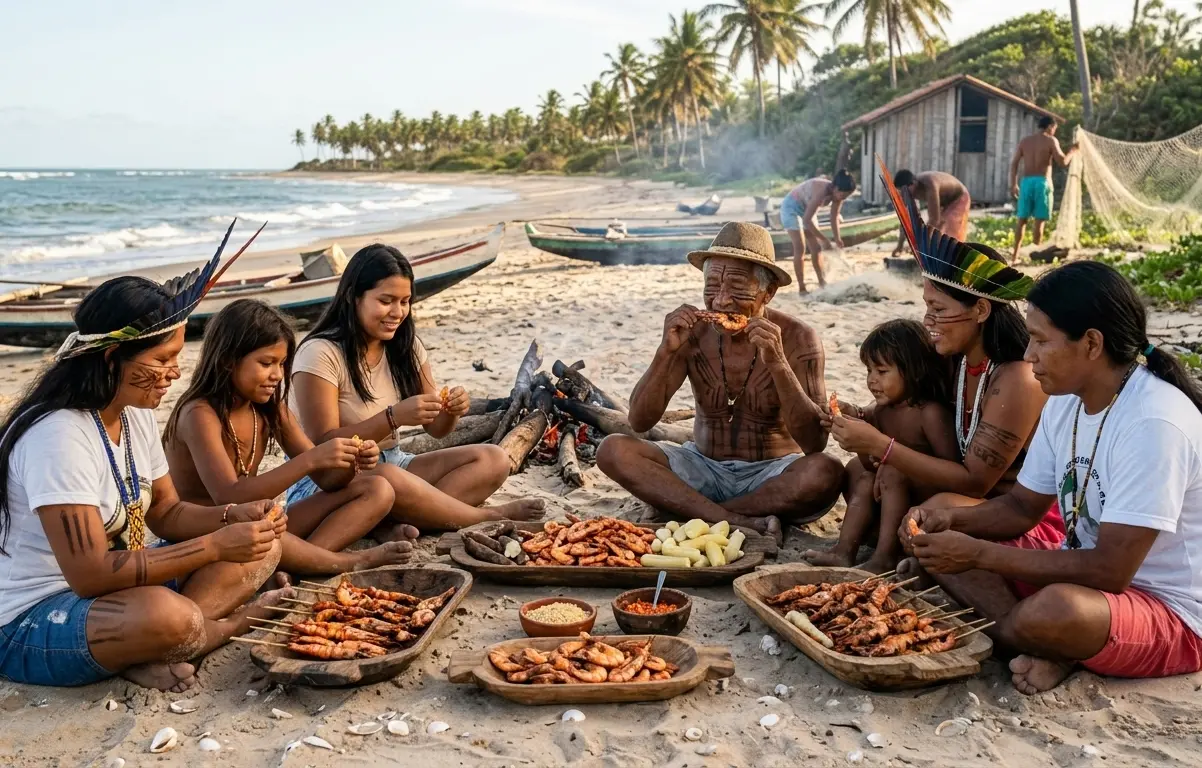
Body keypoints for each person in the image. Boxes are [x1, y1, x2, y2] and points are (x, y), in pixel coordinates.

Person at [0, 229, 292, 692]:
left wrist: (233, 516)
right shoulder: (57, 435)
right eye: (163, 358)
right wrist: (216, 546)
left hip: (117, 591)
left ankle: (150, 646)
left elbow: (166, 512)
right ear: (114, 357)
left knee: (265, 548)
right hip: (34, 618)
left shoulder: (132, 414)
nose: (175, 372)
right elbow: (89, 573)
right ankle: (219, 628)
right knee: (168, 616)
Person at [900, 261, 1202, 694]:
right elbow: (1021, 508)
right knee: (939, 510)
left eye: (1041, 340)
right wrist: (949, 525)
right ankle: (1028, 637)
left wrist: (976, 557)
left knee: (1056, 612)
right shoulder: (1067, 398)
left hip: (1168, 610)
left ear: (1092, 344)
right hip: (1078, 569)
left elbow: (1110, 572)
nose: (1028, 356)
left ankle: (1034, 636)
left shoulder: (1154, 422)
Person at [831, 168, 1056, 559]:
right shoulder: (957, 360)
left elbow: (976, 484)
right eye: (926, 309)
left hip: (1010, 514)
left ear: (981, 310)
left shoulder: (1015, 377)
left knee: (925, 505)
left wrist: (882, 446)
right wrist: (863, 418)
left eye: (937, 309)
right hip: (959, 496)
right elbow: (910, 404)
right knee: (858, 472)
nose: (927, 322)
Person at [597, 222, 844, 541]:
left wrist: (778, 364)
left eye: (737, 288)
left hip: (772, 473)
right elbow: (639, 420)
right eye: (712, 286)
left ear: (767, 292)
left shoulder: (799, 339)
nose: (721, 301)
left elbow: (815, 444)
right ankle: (731, 518)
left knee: (827, 471)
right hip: (702, 465)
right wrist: (665, 352)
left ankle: (698, 512)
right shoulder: (691, 335)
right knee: (612, 450)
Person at [289, 243, 544, 530]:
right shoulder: (320, 352)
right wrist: (393, 417)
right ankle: (483, 517)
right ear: (352, 297)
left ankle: (392, 523)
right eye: (386, 300)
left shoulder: (405, 345)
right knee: (388, 478)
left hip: (394, 465)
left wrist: (451, 411)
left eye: (405, 301)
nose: (397, 312)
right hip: (329, 481)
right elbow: (323, 444)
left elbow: (436, 429)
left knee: (494, 459)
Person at [164, 299, 415, 577]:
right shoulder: (199, 414)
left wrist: (351, 462)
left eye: (282, 364)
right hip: (210, 535)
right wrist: (311, 459)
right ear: (227, 361)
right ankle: (344, 562)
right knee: (267, 533)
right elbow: (228, 495)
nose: (277, 375)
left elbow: (327, 480)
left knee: (376, 488)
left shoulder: (269, 408)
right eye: (266, 363)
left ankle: (300, 563)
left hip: (258, 523)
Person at [803, 319, 957, 572]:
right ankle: (844, 551)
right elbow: (869, 462)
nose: (872, 381)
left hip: (928, 499)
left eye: (882, 372)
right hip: (890, 491)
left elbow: (951, 471)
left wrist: (895, 468)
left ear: (914, 371)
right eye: (868, 371)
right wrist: (850, 423)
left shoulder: (929, 413)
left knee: (892, 471)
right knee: (865, 476)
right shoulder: (883, 410)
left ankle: (885, 556)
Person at [1009, 116, 1079, 263]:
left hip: (1026, 183)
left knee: (1022, 220)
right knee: (1039, 221)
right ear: (1049, 127)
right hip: (1042, 182)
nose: (1054, 132)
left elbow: (1014, 163)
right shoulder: (1050, 141)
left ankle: (1014, 256)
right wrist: (1072, 151)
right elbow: (1063, 162)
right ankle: (1036, 255)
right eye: (1054, 129)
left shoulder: (1025, 141)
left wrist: (1013, 184)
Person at [779, 170, 857, 293]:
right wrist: (824, 239)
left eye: (846, 197)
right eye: (843, 195)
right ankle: (802, 287)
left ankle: (822, 282)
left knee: (816, 248)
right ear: (835, 188)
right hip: (791, 208)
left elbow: (834, 216)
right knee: (800, 248)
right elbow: (807, 221)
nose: (843, 198)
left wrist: (837, 238)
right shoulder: (821, 191)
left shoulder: (838, 195)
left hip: (807, 210)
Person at [890, 170, 971, 251]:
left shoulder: (929, 184)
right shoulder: (909, 191)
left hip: (958, 197)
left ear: (913, 184)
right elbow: (905, 220)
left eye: (904, 191)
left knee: (950, 234)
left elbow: (934, 220)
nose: (903, 195)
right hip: (943, 201)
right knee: (936, 235)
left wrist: (921, 245)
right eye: (901, 192)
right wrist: (899, 246)